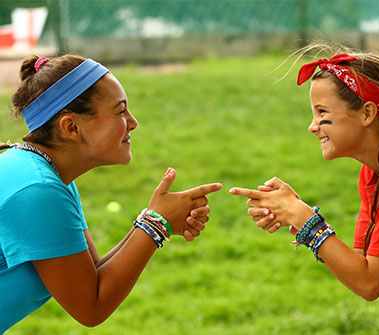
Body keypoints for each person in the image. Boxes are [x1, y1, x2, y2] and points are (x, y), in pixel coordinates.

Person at [0, 55, 221, 331]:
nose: (133, 122)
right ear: (72, 127)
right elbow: (91, 306)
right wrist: (156, 224)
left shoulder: (50, 178)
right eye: (120, 111)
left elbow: (92, 274)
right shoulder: (38, 191)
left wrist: (155, 218)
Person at [229, 50, 379, 333]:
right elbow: (360, 270)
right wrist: (296, 217)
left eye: (322, 112)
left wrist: (304, 219)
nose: (312, 126)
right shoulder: (373, 172)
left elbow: (369, 282)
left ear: (367, 113)